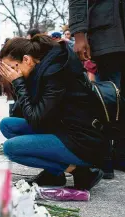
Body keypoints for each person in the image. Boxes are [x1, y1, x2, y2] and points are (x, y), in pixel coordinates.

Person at [0, 35, 107, 190]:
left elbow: (35, 119)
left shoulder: (55, 73)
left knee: (11, 148)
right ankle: (54, 173)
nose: (11, 74)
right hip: (62, 128)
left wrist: (18, 82)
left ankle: (83, 172)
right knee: (8, 125)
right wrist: (18, 84)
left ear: (27, 60)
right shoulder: (41, 69)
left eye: (13, 67)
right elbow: (26, 114)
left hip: (83, 141)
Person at [69, 0, 125, 178]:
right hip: (108, 31)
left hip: (109, 28)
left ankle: (119, 154)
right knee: (107, 98)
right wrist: (79, 34)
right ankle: (104, 156)